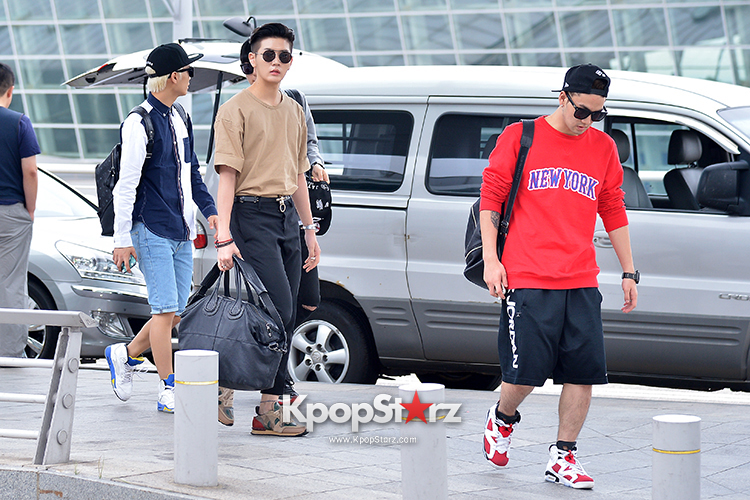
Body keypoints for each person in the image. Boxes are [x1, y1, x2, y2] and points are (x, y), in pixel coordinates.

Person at [479, 64, 638, 489]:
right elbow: (491, 199)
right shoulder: (521, 137)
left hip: (581, 277)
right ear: (563, 97)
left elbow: (613, 207)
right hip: (528, 274)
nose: (587, 121)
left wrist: (628, 270)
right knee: (524, 373)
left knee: (583, 372)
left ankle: (563, 457)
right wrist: (492, 261)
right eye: (582, 111)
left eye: (597, 114)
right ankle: (502, 417)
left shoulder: (603, 149)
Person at [213, 22, 319, 437]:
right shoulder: (235, 109)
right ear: (252, 60)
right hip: (250, 214)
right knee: (280, 309)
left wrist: (309, 230)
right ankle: (261, 405)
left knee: (282, 312)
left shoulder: (294, 111)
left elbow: (297, 176)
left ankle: (249, 398)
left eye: (285, 56)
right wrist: (224, 234)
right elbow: (226, 177)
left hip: (286, 219)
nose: (277, 62)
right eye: (269, 55)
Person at [105, 43, 218, 413]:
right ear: (173, 76)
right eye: (188, 71)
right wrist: (123, 239)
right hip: (150, 228)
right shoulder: (139, 123)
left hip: (181, 230)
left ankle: (125, 354)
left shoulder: (180, 116)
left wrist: (210, 211)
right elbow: (125, 185)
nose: (191, 77)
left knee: (172, 312)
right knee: (163, 309)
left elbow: (192, 172)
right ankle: (167, 387)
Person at [0, 62, 39, 358]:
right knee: (11, 283)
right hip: (10, 213)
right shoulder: (18, 122)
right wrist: (30, 211)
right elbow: (30, 173)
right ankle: (10, 353)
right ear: (10, 90)